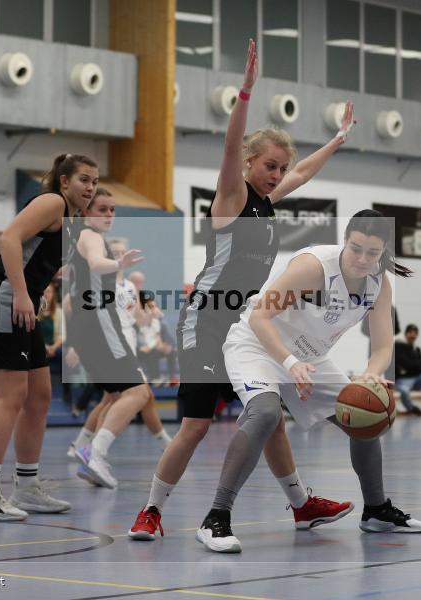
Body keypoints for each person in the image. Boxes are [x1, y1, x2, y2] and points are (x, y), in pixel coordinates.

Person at [130, 39, 356, 541]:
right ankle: (151, 510)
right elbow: (230, 147)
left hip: (243, 327)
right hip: (205, 321)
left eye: (280, 168)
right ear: (251, 162)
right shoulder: (232, 198)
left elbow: (302, 171)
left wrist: (338, 139)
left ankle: (301, 505)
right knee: (195, 424)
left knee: (269, 416)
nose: (277, 174)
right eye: (268, 165)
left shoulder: (269, 200)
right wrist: (246, 93)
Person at [196, 211, 421, 553]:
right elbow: (260, 316)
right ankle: (216, 517)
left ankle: (375, 510)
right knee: (264, 414)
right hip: (258, 346)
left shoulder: (379, 283)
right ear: (345, 239)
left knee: (365, 414)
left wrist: (370, 375)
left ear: (383, 252)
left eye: (372, 253)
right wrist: (289, 364)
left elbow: (382, 347)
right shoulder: (313, 266)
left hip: (311, 359)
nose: (363, 259)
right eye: (356, 248)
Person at [0, 153, 98, 521]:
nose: (90, 187)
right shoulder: (52, 202)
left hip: (20, 303)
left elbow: (38, 260)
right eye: (84, 179)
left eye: (95, 182)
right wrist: (23, 294)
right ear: (64, 181)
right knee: (12, 396)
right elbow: (9, 239)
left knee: (40, 396)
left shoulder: (73, 219)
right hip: (3, 299)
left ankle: (27, 486)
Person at [62, 187, 152, 489]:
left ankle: (91, 451)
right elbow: (97, 264)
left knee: (116, 395)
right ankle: (94, 453)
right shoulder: (91, 236)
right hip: (100, 320)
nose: (109, 215)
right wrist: (119, 264)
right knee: (139, 392)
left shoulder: (77, 238)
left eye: (113, 209)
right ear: (87, 211)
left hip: (86, 324)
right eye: (102, 209)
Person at [67, 240, 171, 459]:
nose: (120, 256)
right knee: (138, 395)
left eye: (122, 252)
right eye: (115, 253)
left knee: (116, 399)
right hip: (110, 345)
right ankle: (165, 444)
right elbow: (72, 305)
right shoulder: (101, 282)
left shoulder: (130, 287)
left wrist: (151, 315)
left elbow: (137, 321)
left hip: (128, 344)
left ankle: (82, 446)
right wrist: (76, 345)